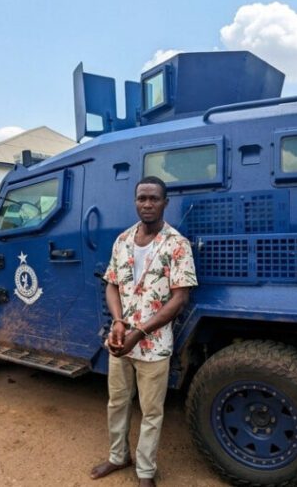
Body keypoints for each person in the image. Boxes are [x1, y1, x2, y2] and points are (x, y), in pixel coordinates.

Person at [90, 176, 197, 487]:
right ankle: (117, 456)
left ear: (165, 202)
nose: (147, 204)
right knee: (117, 402)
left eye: (153, 199)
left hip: (154, 345)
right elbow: (112, 284)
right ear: (135, 201)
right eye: (142, 198)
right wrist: (119, 322)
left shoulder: (177, 244)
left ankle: (146, 472)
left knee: (151, 412)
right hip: (120, 341)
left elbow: (180, 298)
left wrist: (140, 332)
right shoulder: (122, 241)